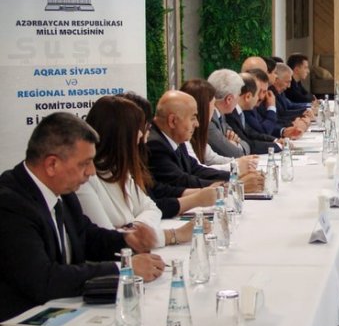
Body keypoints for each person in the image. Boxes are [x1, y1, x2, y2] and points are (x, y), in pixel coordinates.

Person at [0, 112, 164, 321]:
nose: (92, 172)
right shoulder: (10, 204)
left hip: (60, 312)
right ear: (52, 165)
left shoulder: (63, 193)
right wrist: (124, 268)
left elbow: (85, 236)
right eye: (84, 163)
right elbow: (43, 279)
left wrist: (127, 240)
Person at [77, 96, 196, 248]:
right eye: (137, 129)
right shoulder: (85, 179)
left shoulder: (119, 170)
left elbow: (151, 208)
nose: (141, 135)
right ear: (120, 136)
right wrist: (170, 235)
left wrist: (133, 228)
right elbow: (106, 239)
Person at [118, 91, 221, 219]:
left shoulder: (176, 139)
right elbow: (157, 200)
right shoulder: (154, 145)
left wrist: (213, 188)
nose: (145, 133)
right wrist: (197, 198)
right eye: (145, 127)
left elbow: (155, 189)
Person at [146, 90, 230, 189]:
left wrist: (234, 177)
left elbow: (196, 169)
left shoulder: (175, 136)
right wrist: (228, 186)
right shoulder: (154, 145)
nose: (197, 124)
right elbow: (181, 181)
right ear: (173, 121)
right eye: (193, 118)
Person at [226, 73, 283, 153]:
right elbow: (248, 143)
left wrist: (275, 140)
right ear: (248, 96)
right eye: (257, 94)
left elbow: (251, 133)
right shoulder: (230, 114)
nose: (260, 97)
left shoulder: (239, 112)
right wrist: (278, 146)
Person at [206, 69, 251, 158]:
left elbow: (246, 144)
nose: (239, 99)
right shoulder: (208, 120)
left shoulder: (221, 114)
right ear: (229, 99)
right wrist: (234, 145)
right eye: (239, 95)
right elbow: (235, 154)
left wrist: (236, 144)